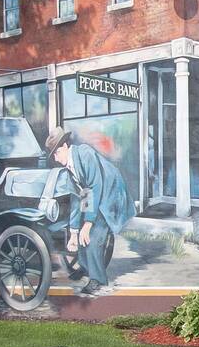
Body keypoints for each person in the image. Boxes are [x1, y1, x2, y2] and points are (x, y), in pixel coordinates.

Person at [46, 127, 135, 296]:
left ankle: (98, 280)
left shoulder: (85, 153)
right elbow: (76, 199)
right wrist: (74, 232)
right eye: (54, 156)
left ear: (65, 146)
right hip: (94, 195)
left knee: (93, 236)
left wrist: (88, 224)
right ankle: (86, 268)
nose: (56, 159)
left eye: (57, 153)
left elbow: (95, 186)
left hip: (110, 195)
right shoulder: (69, 170)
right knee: (80, 232)